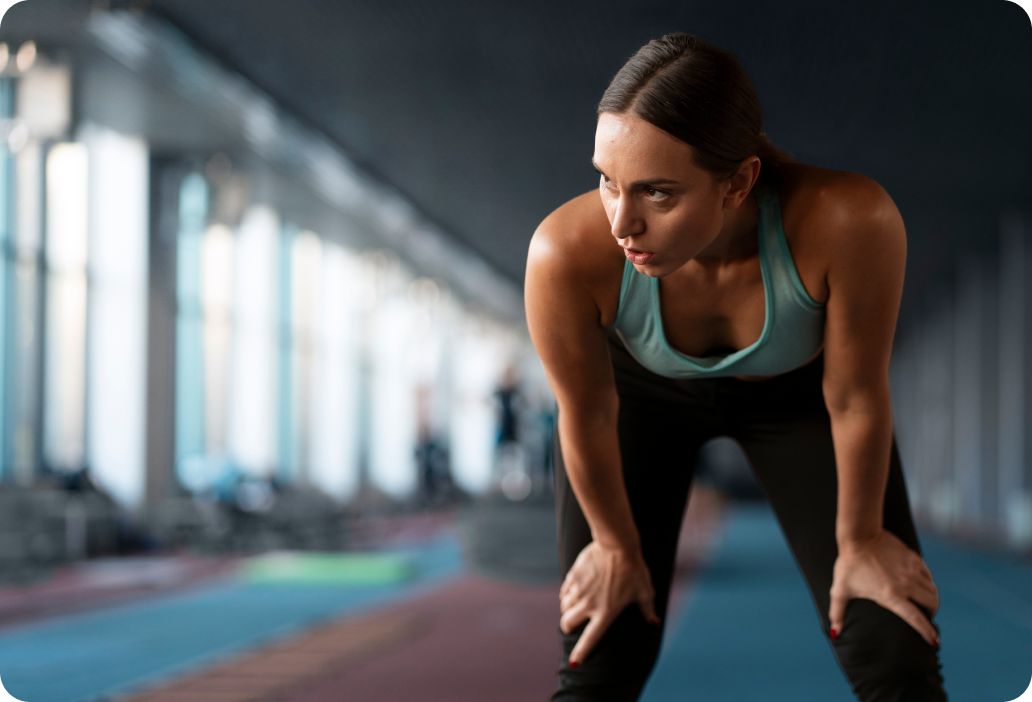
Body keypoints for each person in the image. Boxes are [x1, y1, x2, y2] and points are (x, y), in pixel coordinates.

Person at [524, 33, 947, 701]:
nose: (621, 223)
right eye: (607, 181)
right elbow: (586, 411)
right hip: (640, 403)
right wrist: (612, 546)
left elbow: (856, 398)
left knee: (893, 644)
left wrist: (862, 539)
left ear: (738, 182)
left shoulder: (846, 221)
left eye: (657, 194)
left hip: (799, 402)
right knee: (602, 650)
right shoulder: (564, 253)